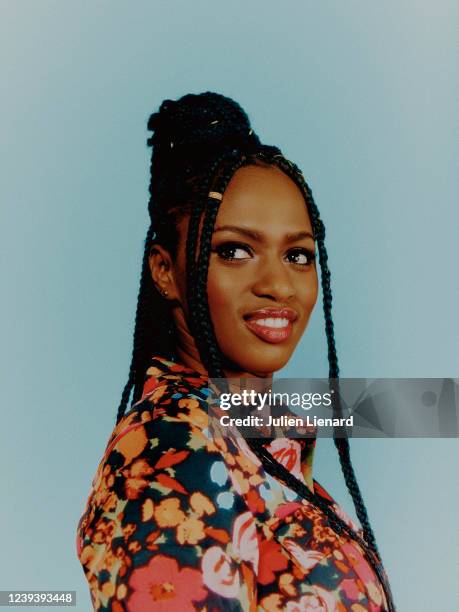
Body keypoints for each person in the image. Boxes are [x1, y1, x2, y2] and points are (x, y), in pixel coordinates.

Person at [76, 92, 395, 611]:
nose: (279, 285)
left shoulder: (250, 432)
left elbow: (415, 405)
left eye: (298, 254)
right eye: (234, 251)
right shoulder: (172, 452)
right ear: (164, 270)